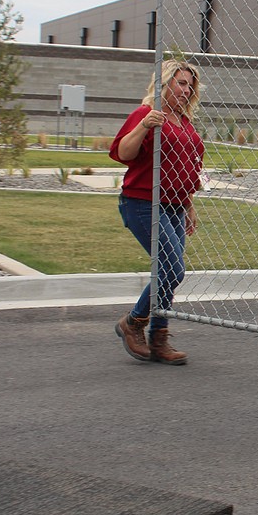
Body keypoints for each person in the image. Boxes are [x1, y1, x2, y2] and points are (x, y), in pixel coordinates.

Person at [110, 59, 205, 366]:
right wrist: (144, 125)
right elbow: (124, 153)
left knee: (166, 271)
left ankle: (158, 338)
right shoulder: (146, 114)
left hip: (176, 206)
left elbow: (184, 167)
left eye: (190, 84)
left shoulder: (184, 122)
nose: (186, 89)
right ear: (164, 83)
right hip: (142, 202)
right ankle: (134, 322)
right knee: (171, 269)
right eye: (181, 82)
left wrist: (189, 203)